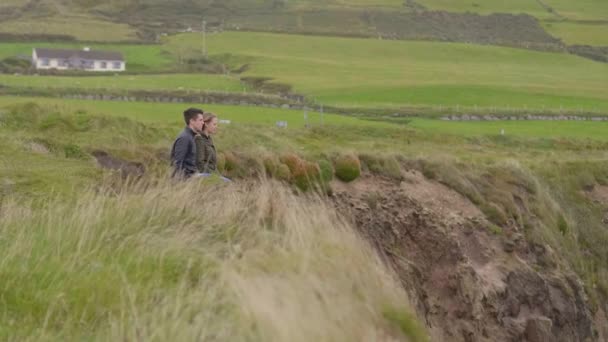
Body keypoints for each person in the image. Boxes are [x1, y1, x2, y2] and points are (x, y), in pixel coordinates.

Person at [195, 112, 231, 182]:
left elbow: (213, 165)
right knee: (228, 183)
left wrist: (218, 176)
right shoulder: (199, 139)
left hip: (211, 173)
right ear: (206, 124)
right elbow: (200, 164)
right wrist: (215, 177)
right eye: (214, 124)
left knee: (228, 182)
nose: (216, 126)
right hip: (204, 175)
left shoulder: (209, 139)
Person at [170, 107, 204, 179]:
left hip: (194, 175)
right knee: (224, 182)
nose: (203, 123)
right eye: (200, 120)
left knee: (220, 179)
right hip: (188, 178)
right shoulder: (184, 138)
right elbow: (177, 162)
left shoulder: (191, 137)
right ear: (192, 121)